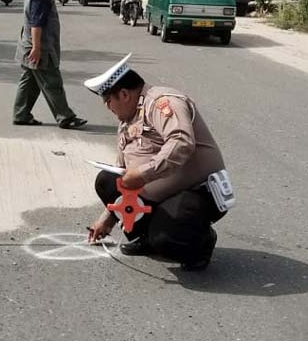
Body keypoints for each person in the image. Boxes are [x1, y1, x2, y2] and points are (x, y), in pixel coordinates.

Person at [85, 55, 230, 270]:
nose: (108, 107)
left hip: (196, 191)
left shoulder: (162, 102)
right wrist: (109, 217)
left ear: (124, 94)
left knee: (166, 238)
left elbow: (181, 142)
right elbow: (124, 170)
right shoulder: (127, 121)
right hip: (160, 192)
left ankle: (201, 243)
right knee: (108, 180)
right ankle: (148, 237)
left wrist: (143, 174)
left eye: (108, 101)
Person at [13, 0, 87, 129]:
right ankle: (65, 117)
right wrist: (37, 48)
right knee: (52, 83)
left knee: (30, 82)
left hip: (27, 44)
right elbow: (36, 23)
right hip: (40, 48)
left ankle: (21, 114)